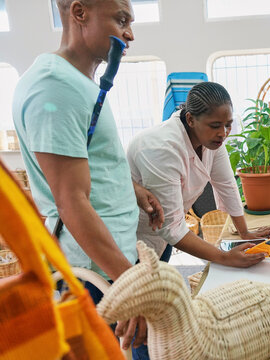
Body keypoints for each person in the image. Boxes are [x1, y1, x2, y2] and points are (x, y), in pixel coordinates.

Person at [12, 0, 164, 353]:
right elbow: (70, 201)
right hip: (93, 270)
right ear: (80, 13)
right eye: (121, 19)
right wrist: (130, 285)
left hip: (109, 258)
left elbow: (89, 162)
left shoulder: (78, 82)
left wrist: (133, 190)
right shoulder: (55, 87)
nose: (130, 33)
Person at [127, 81, 270, 268]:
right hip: (129, 237)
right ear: (190, 119)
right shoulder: (162, 148)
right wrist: (224, 257)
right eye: (215, 125)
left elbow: (226, 185)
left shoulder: (211, 140)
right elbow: (172, 228)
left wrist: (244, 232)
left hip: (160, 237)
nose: (223, 133)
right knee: (124, 291)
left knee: (153, 286)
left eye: (228, 125)